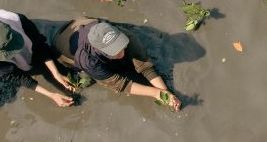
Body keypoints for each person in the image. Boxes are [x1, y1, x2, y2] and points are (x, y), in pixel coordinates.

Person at [52, 18, 182, 109]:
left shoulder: (125, 35)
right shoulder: (87, 60)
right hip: (61, 46)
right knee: (87, 78)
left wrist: (166, 93)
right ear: (100, 51)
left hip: (83, 23)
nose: (121, 52)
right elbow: (121, 84)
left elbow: (144, 66)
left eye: (121, 45)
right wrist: (155, 93)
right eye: (114, 51)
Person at [0, 11, 76, 107]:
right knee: (26, 69)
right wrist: (52, 95)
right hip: (13, 63)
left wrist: (56, 73)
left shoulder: (15, 19)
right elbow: (14, 76)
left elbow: (39, 45)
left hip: (27, 33)